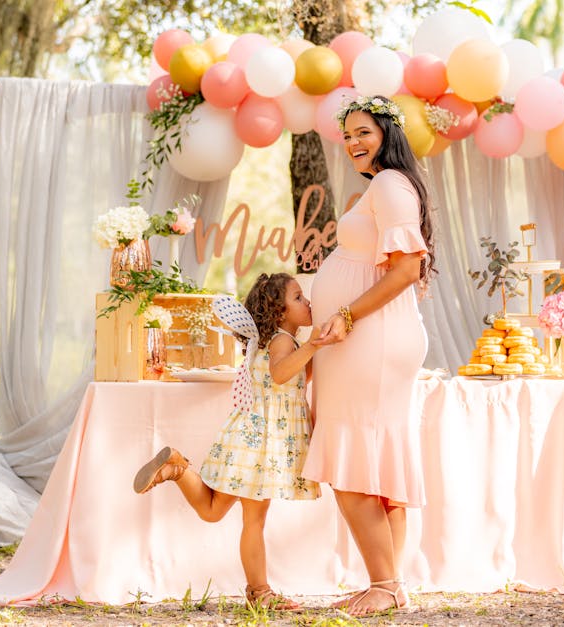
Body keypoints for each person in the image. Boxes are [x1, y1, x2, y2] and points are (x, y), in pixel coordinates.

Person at [302, 95, 436, 617]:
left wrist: (348, 316)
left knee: (354, 458)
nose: (353, 143)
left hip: (369, 341)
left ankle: (383, 582)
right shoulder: (382, 187)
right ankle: (389, 583)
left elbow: (406, 269)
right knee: (376, 462)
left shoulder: (388, 184)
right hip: (363, 340)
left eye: (364, 133)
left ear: (387, 133)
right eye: (348, 135)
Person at [132, 273, 322, 610]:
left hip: (251, 438)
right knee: (253, 521)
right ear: (279, 313)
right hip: (260, 443)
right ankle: (260, 593)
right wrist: (314, 345)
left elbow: (290, 378)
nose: (307, 302)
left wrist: (314, 357)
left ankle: (177, 468)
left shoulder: (275, 343)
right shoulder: (283, 342)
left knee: (213, 510)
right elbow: (280, 374)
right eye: (298, 297)